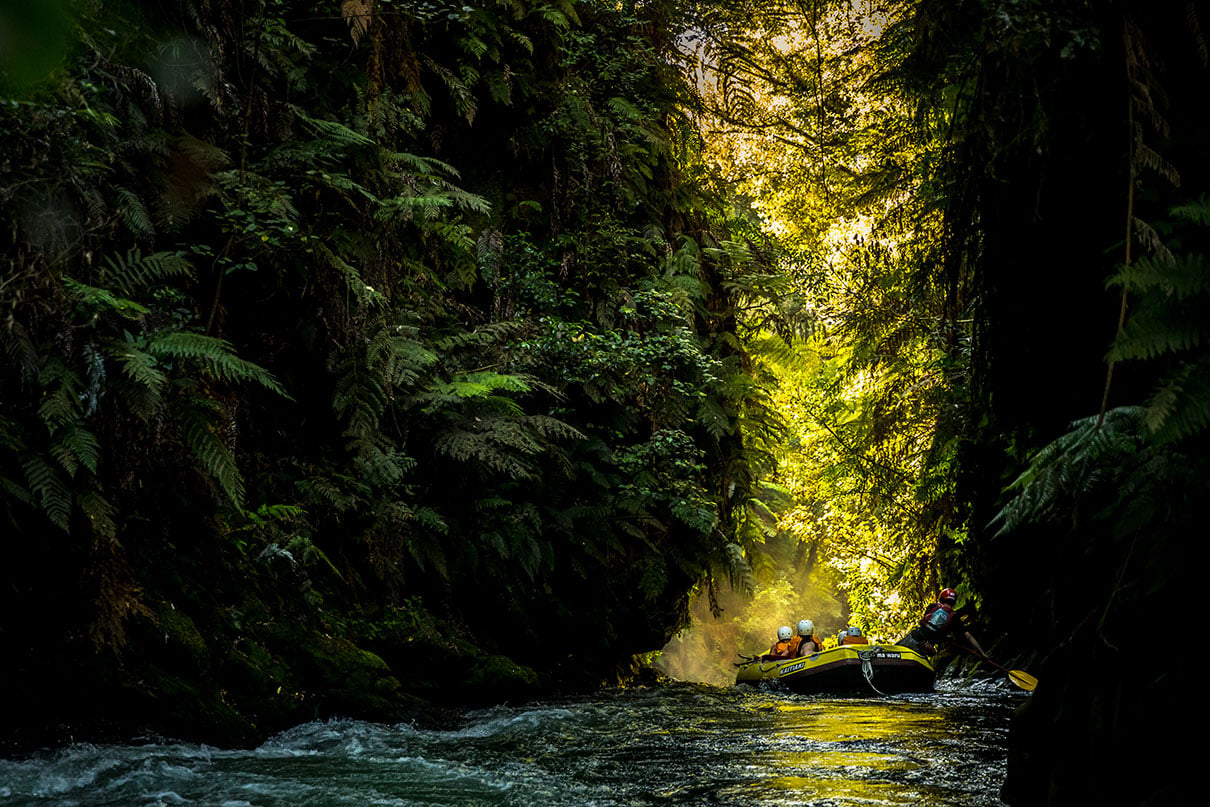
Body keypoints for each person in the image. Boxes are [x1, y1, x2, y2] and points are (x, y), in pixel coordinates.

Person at [899, 587, 985, 656]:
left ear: (941, 598)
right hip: (923, 648)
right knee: (932, 653)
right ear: (954, 602)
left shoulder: (932, 607)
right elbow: (969, 637)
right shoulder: (954, 618)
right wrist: (982, 653)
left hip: (912, 638)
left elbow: (925, 623)